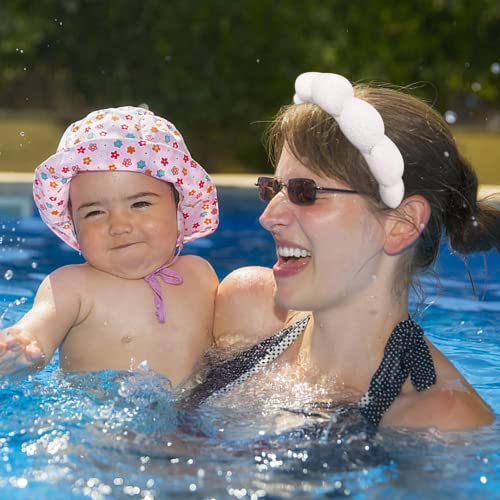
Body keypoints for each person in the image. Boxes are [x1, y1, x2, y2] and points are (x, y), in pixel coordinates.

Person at [187, 72, 498, 430]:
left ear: (402, 224)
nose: (268, 216)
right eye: (273, 188)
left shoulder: (440, 421)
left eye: (306, 192)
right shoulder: (245, 311)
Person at [0, 106, 219, 385]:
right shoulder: (72, 286)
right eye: (94, 212)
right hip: (101, 427)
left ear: (179, 210)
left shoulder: (199, 275)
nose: (119, 226)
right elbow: (36, 330)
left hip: (196, 425)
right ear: (74, 226)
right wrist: (20, 345)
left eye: (140, 204)